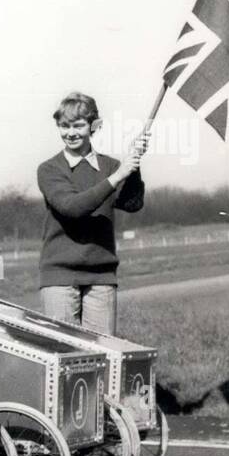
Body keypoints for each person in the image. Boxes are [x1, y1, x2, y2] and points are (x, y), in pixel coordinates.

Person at [35, 91, 147, 334]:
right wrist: (118, 176)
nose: (70, 132)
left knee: (103, 357)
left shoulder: (111, 166)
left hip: (102, 276)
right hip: (60, 278)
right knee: (64, 357)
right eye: (64, 126)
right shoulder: (49, 169)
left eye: (78, 125)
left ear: (94, 126)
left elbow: (132, 203)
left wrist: (134, 165)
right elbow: (72, 208)